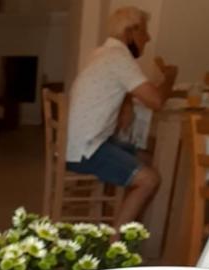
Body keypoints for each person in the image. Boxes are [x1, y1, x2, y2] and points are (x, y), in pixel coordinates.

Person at [66, 6, 177, 227]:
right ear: (131, 32)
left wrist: (126, 102)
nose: (148, 38)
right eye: (144, 32)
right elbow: (156, 101)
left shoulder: (101, 53)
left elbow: (113, 88)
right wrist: (170, 77)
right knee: (149, 179)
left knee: (146, 158)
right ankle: (115, 243)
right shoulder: (119, 58)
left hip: (80, 143)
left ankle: (128, 220)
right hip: (88, 149)